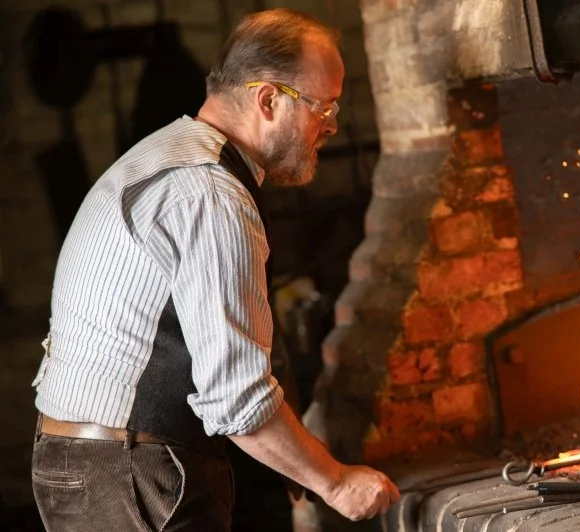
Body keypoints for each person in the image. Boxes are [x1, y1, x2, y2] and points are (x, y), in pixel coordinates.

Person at [30, 8, 400, 531]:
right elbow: (236, 396)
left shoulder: (164, 157)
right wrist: (334, 481)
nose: (333, 125)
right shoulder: (209, 193)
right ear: (269, 100)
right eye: (324, 106)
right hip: (133, 473)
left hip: (81, 464)